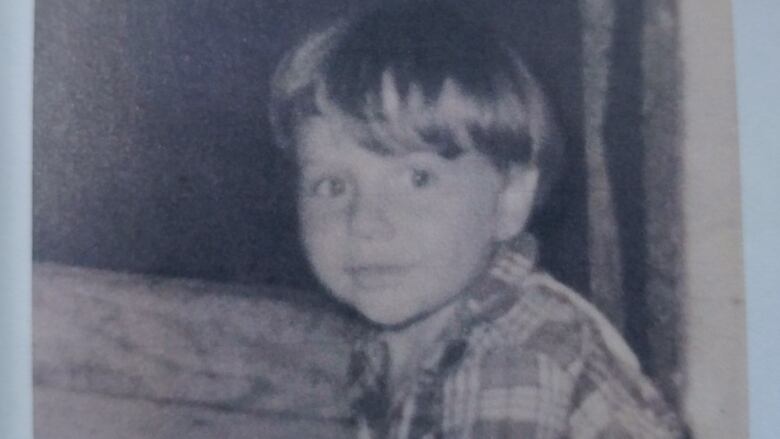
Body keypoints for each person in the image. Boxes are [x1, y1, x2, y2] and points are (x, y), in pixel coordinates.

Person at [269, 2, 684, 437]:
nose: (365, 222)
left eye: (417, 178)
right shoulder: (395, 344)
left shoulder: (513, 354)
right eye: (331, 186)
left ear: (509, 200)